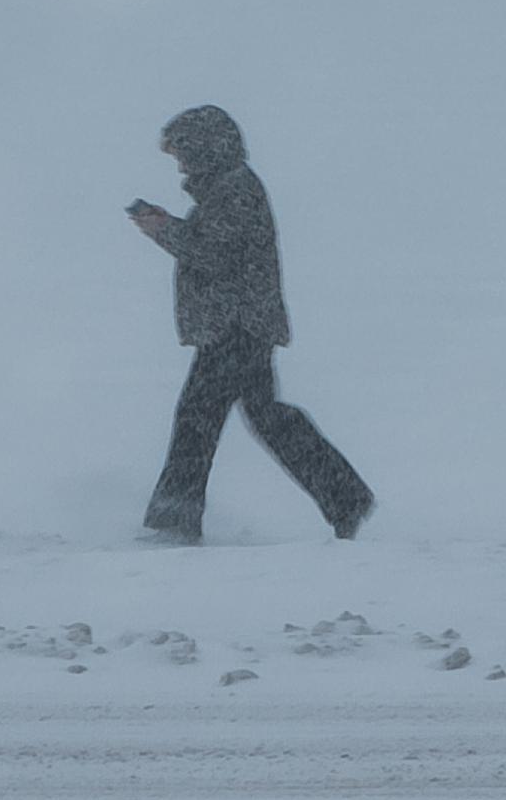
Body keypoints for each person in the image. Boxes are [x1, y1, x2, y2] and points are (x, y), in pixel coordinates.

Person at [126, 104, 372, 544]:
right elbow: (215, 248)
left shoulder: (234, 190)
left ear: (203, 149)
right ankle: (345, 497)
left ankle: (174, 523)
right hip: (241, 325)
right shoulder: (228, 188)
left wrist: (162, 229)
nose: (180, 163)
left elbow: (213, 255)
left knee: (197, 419)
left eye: (182, 152)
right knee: (264, 416)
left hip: (236, 327)